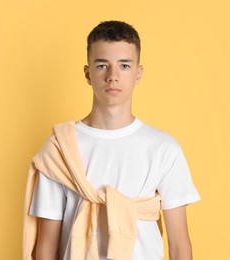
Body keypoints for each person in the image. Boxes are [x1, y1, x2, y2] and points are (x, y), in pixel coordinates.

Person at [23, 21, 200, 260]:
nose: (113, 76)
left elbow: (179, 246)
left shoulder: (164, 149)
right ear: (88, 74)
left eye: (124, 66)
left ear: (138, 73)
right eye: (102, 65)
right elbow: (46, 247)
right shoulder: (59, 149)